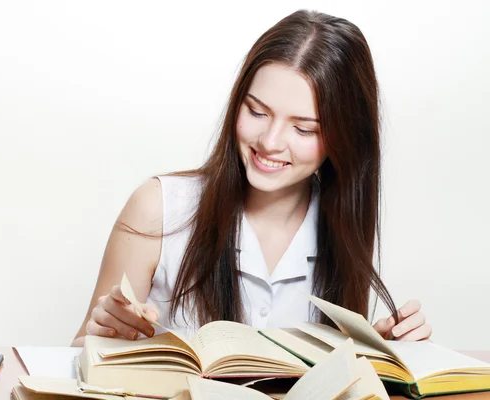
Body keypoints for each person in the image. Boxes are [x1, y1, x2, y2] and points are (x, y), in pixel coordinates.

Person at [72, 9, 432, 347]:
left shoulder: (341, 228)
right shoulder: (157, 207)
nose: (270, 142)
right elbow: (78, 356)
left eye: (304, 129)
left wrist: (379, 358)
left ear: (344, 138)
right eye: (257, 111)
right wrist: (105, 335)